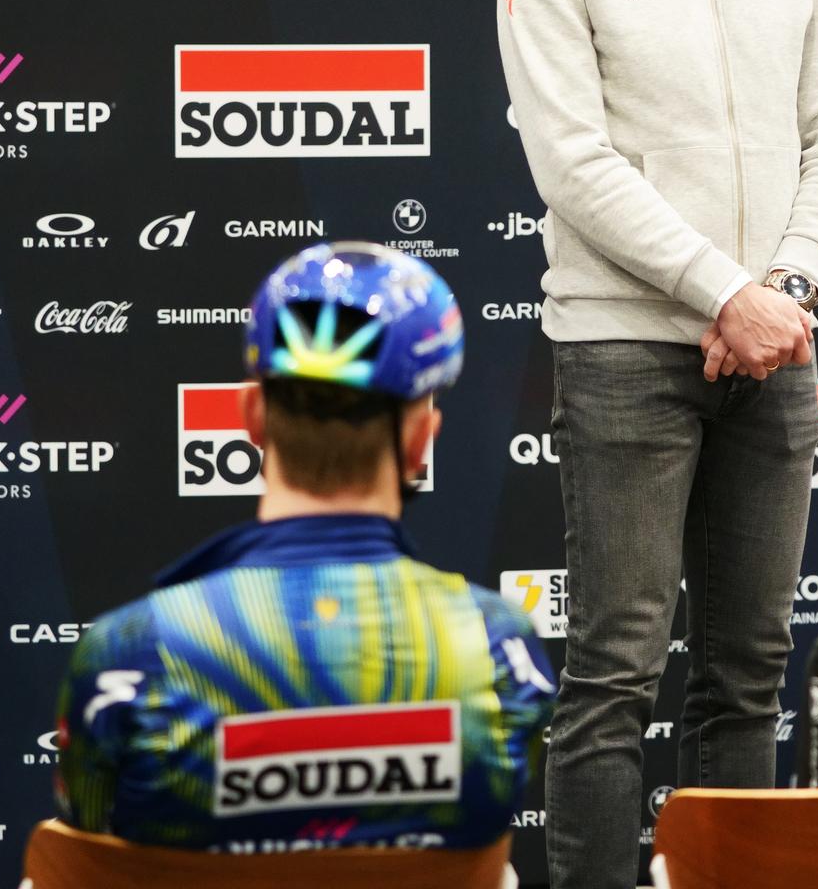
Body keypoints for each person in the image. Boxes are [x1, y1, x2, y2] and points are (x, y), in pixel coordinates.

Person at [495, 0, 818, 888]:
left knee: (750, 668)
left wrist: (786, 289)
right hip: (624, 352)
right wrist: (727, 292)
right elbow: (573, 163)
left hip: (779, 342)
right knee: (613, 667)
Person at [54, 242, 555, 850]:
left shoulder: (129, 653)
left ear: (251, 417)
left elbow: (87, 846)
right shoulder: (499, 647)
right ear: (423, 440)